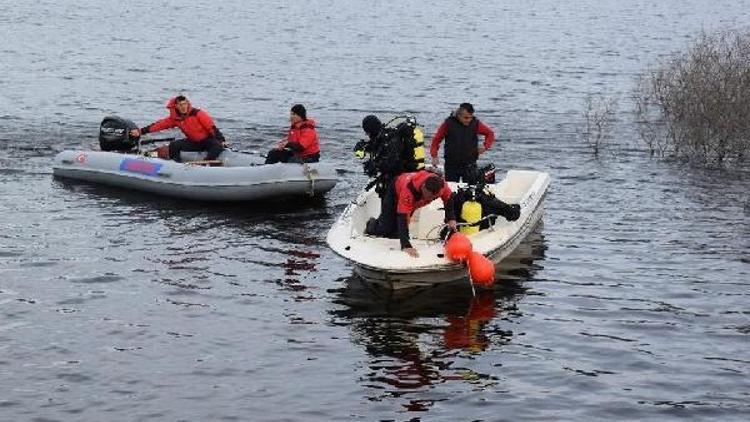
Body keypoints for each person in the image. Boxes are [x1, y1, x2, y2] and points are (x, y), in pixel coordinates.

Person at [366, 170, 457, 258]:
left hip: (415, 201)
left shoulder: (442, 186)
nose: (430, 200)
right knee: (385, 228)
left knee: (396, 233)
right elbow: (403, 217)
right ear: (423, 187)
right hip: (396, 190)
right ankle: (371, 224)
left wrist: (451, 219)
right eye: (429, 196)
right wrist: (406, 245)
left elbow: (448, 199)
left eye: (434, 198)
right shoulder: (408, 191)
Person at [129, 95, 226, 162]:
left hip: (207, 140)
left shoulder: (198, 114)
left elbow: (212, 128)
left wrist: (221, 140)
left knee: (217, 146)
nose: (183, 107)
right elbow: (158, 126)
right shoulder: (175, 119)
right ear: (176, 106)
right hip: (194, 142)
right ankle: (176, 164)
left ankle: (207, 163)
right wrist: (140, 132)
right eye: (180, 105)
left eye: (185, 104)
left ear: (187, 104)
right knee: (174, 146)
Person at [358, 115, 424, 196]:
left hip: (399, 180)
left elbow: (390, 163)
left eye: (367, 132)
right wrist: (364, 146)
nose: (367, 135)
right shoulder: (387, 135)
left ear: (371, 130)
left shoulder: (391, 140)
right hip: (403, 176)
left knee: (389, 206)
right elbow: (378, 147)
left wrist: (374, 166)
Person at [430, 103, 496, 182]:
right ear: (459, 115)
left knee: (471, 188)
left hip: (470, 163)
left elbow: (490, 134)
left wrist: (485, 146)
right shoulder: (448, 123)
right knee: (451, 188)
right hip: (451, 164)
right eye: (466, 118)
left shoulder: (475, 123)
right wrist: (434, 156)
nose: (469, 120)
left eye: (471, 117)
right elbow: (436, 139)